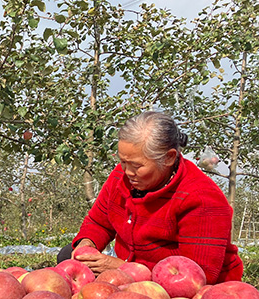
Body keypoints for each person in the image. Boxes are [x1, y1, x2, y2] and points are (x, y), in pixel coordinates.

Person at [62, 110, 243, 284]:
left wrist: (122, 267)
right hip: (135, 275)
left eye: (136, 165)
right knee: (67, 255)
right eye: (123, 161)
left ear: (169, 158)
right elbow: (99, 222)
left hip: (193, 288)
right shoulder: (121, 177)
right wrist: (87, 243)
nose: (127, 171)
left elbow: (197, 275)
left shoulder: (201, 197)